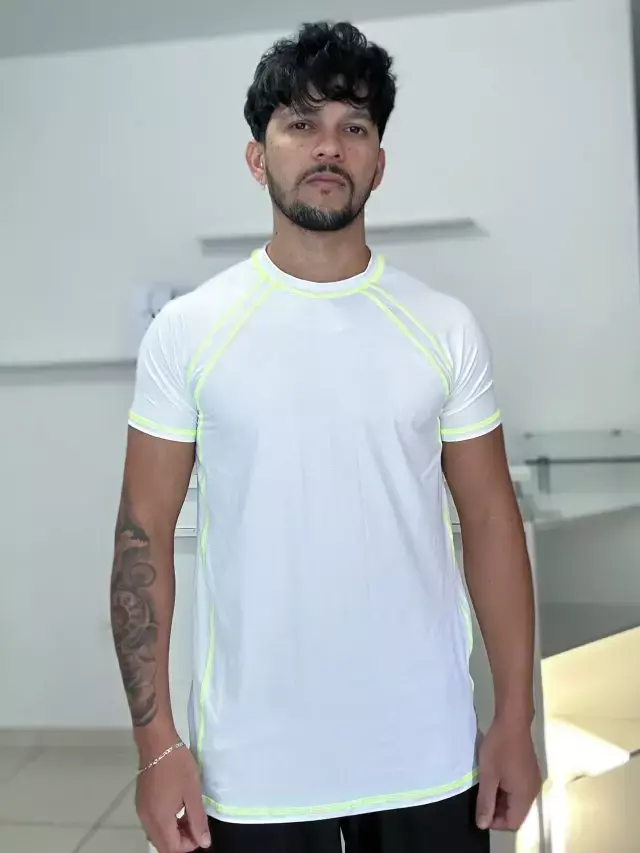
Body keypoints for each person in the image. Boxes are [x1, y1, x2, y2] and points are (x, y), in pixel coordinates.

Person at [110, 20, 541, 853]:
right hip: (255, 766)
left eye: (355, 126)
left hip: (427, 752)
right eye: (301, 123)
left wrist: (514, 718)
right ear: (256, 157)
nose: (329, 146)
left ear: (379, 161)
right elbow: (141, 535)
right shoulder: (190, 331)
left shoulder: (444, 326)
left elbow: (491, 520)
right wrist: (156, 745)